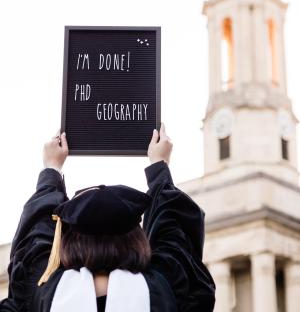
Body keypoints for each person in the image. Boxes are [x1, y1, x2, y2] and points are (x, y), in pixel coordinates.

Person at [0, 123, 215, 312]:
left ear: (69, 244)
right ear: (137, 242)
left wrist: (51, 169)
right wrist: (159, 166)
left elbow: (34, 241)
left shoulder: (45, 293)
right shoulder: (165, 289)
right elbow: (174, 237)